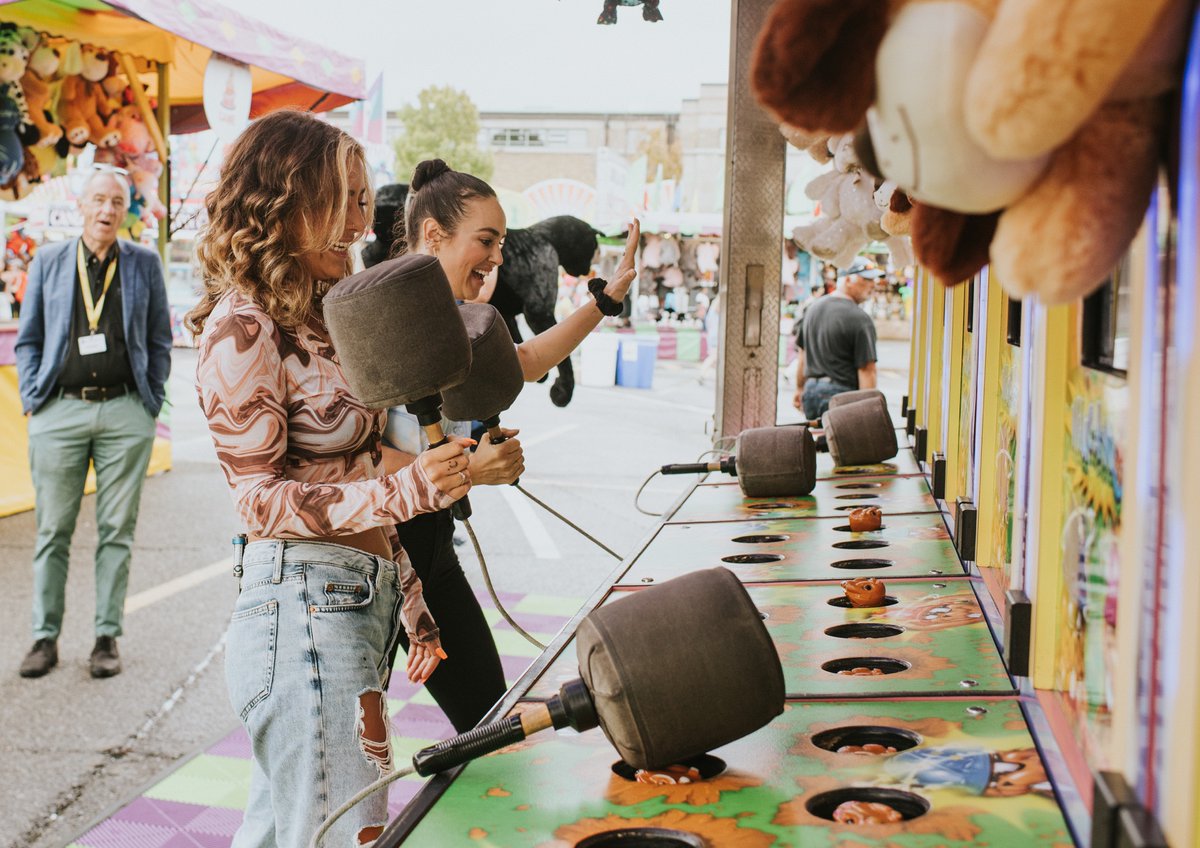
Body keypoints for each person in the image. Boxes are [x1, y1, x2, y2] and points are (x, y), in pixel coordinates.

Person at [186, 111, 470, 847]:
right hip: (304, 612)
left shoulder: (320, 318)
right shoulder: (243, 325)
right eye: (342, 198)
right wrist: (410, 491)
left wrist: (412, 603)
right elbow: (258, 499)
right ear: (283, 200)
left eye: (362, 196)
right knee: (347, 833)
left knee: (289, 830)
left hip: (350, 607)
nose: (360, 218)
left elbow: (354, 471)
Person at [381, 158, 638, 733]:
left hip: (431, 547)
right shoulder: (381, 315)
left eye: (500, 241)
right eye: (487, 241)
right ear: (432, 235)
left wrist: (604, 300)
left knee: (488, 723)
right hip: (374, 559)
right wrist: (471, 467)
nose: (498, 257)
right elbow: (361, 455)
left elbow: (521, 362)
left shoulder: (462, 315)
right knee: (350, 755)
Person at [15, 166, 172, 680]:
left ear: (126, 211)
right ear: (81, 205)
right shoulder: (48, 261)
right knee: (53, 530)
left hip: (126, 410)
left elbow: (158, 339)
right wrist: (33, 397)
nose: (107, 210)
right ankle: (44, 637)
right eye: (98, 199)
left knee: (116, 532)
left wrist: (150, 401)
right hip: (59, 408)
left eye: (116, 202)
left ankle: (106, 637)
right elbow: (30, 336)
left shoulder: (145, 263)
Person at [793, 260, 880, 419]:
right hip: (841, 397)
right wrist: (869, 414)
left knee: (817, 443)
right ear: (847, 280)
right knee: (842, 444)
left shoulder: (813, 309)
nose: (873, 285)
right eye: (867, 279)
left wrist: (800, 388)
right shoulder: (860, 318)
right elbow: (867, 370)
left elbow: (802, 356)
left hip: (811, 392)